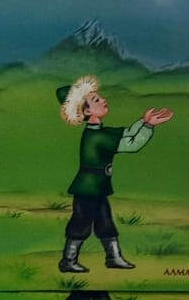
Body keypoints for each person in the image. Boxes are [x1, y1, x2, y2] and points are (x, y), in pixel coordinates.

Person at [55, 76, 172, 273]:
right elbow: (131, 145)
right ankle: (68, 260)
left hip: (98, 188)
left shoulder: (99, 132)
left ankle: (113, 258)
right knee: (81, 223)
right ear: (86, 111)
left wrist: (144, 121)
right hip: (88, 189)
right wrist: (148, 126)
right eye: (96, 100)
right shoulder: (97, 137)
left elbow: (126, 133)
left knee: (105, 222)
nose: (103, 100)